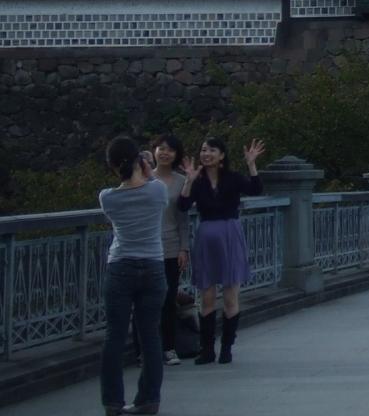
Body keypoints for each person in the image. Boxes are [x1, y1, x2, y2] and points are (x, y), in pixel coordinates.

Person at [178, 135, 265, 365]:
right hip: (207, 237)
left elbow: (255, 189)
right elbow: (183, 206)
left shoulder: (233, 178)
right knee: (206, 296)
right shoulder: (198, 181)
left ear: (222, 155)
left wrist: (251, 164)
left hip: (230, 235)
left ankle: (227, 347)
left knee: (230, 296)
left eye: (211, 150)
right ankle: (207, 349)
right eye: (203, 150)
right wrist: (188, 181)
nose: (206, 154)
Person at [99, 136, 169, 416]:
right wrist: (148, 173)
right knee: (150, 335)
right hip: (153, 266)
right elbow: (155, 188)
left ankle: (113, 402)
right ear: (141, 161)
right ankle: (149, 400)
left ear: (113, 166)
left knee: (114, 336)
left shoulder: (107, 197)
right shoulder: (158, 190)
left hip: (121, 267)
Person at [151, 135, 189, 366]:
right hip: (147, 247)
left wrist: (184, 248)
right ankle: (145, 350)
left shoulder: (181, 181)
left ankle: (169, 347)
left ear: (176, 155)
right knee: (145, 301)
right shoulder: (145, 178)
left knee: (168, 298)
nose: (164, 153)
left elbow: (183, 218)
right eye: (161, 148)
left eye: (169, 150)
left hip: (172, 246)